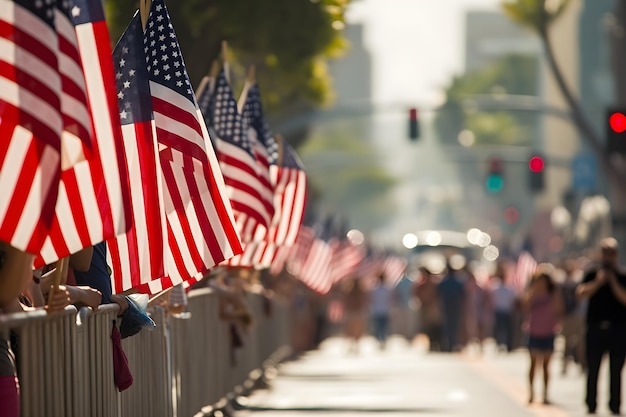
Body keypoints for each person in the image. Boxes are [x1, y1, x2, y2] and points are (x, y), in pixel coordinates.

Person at [577, 238, 626, 415]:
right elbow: (581, 293)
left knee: (616, 370)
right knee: (593, 368)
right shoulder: (592, 274)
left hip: (618, 330)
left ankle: (615, 405)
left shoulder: (622, 276)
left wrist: (612, 282)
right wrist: (598, 282)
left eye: (611, 253)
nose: (608, 256)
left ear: (616, 255)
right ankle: (591, 404)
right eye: (605, 252)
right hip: (595, 328)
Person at [521, 266, 563, 405]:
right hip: (534, 331)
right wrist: (533, 292)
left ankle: (545, 393)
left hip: (548, 332)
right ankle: (531, 392)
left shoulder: (553, 294)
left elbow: (559, 309)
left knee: (546, 366)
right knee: (533, 364)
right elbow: (524, 306)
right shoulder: (532, 293)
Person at [437, 260, 465, 353]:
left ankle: (448, 344)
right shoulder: (457, 283)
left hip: (448, 306)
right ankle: (451, 344)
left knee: (448, 326)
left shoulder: (445, 283)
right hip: (453, 306)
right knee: (453, 326)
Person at [491, 262, 517, 353]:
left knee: (507, 329)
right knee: (499, 329)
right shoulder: (495, 287)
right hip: (499, 311)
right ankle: (499, 344)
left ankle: (508, 345)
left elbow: (512, 301)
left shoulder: (509, 288)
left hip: (506, 311)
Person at [415, 266, 442, 351]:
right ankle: (431, 343)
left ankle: (437, 343)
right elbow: (416, 293)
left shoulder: (433, 283)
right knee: (427, 328)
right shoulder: (421, 285)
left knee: (434, 326)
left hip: (433, 307)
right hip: (425, 307)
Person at [369, 273, 393, 349]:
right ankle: (381, 340)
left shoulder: (377, 289)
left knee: (381, 327)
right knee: (380, 327)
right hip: (381, 310)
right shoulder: (385, 289)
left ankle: (382, 340)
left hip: (380, 310)